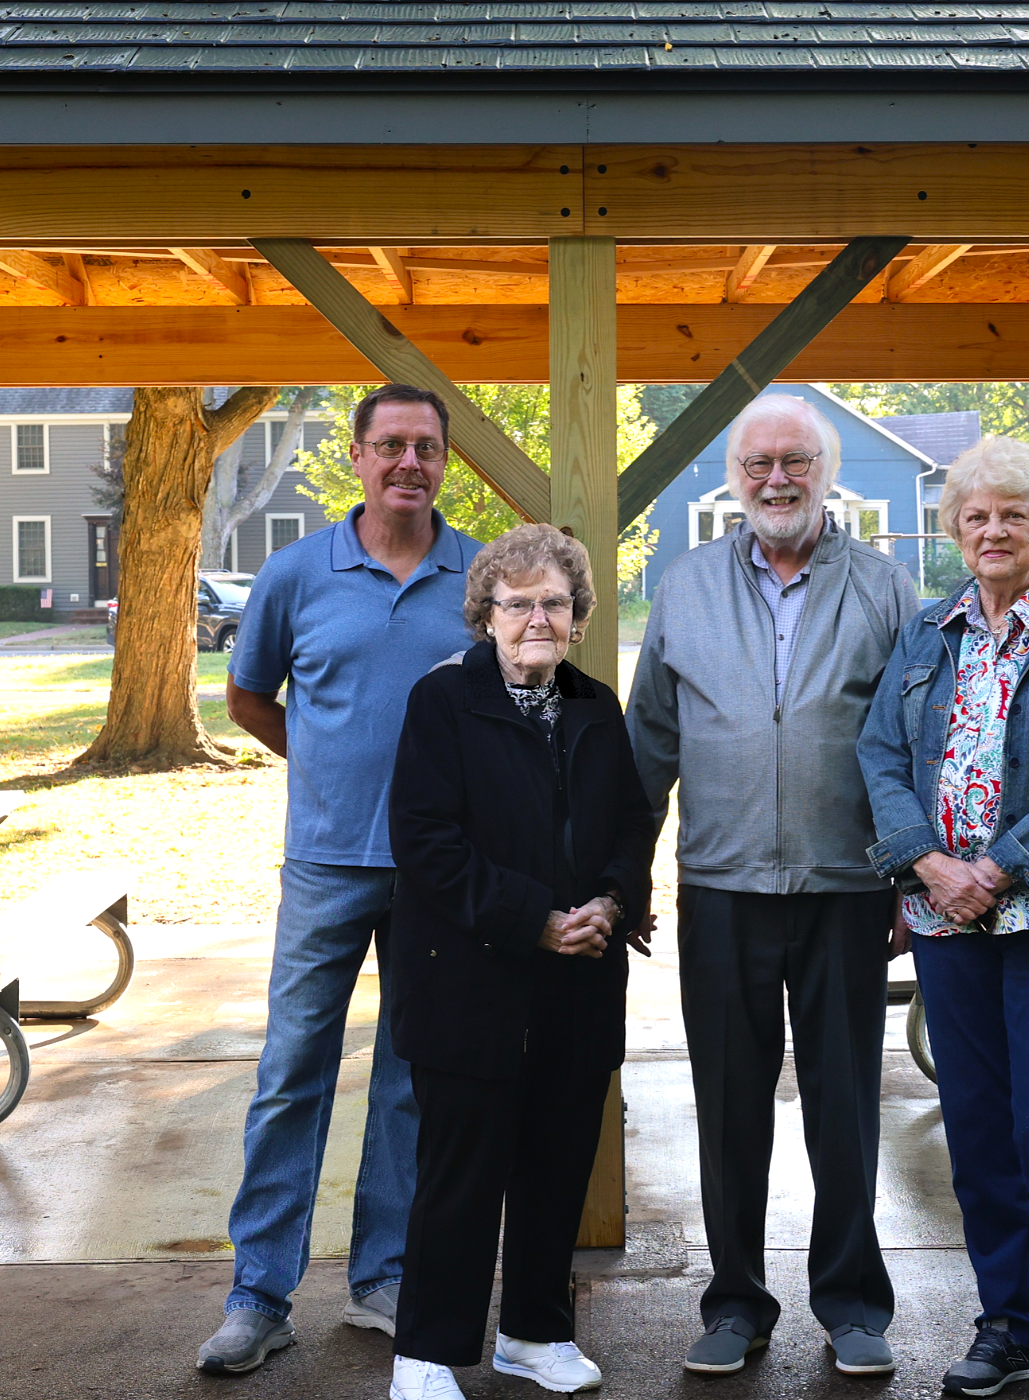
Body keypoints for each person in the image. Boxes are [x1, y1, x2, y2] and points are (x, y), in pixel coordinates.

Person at [627, 394, 919, 1378]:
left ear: (827, 472)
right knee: (728, 1106)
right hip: (721, 884)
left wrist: (907, 872)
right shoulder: (686, 586)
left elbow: (915, 743)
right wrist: (628, 870)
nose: (777, 479)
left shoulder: (884, 587)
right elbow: (648, 741)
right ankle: (734, 1303)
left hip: (847, 886)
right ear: (734, 478)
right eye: (758, 464)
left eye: (796, 460)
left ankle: (852, 1303)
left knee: (845, 1106)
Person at [197, 384, 484, 1375]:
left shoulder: (479, 576)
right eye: (390, 444)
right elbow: (248, 698)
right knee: (290, 1075)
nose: (409, 461)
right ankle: (257, 1294)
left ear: (443, 462)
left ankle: (384, 1277)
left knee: (411, 1079)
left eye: (426, 447)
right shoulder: (295, 572)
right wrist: (324, 763)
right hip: (324, 864)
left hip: (438, 875)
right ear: (357, 457)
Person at [857, 437, 1029, 1400]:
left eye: (1014, 514)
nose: (993, 530)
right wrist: (928, 863)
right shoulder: (927, 633)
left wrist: (998, 868)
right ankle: (1009, 1326)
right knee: (977, 1129)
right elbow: (879, 754)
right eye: (975, 516)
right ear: (956, 530)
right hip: (947, 920)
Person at [385, 524, 657, 1400]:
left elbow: (632, 822)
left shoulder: (595, 705)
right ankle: (426, 1355)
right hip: (470, 979)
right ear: (486, 615)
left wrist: (611, 901)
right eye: (518, 604)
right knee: (459, 1176)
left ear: (577, 615)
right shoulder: (443, 701)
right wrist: (533, 919)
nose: (537, 618)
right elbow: (425, 841)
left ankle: (535, 1335)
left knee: (555, 1168)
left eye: (554, 602)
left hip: (580, 976)